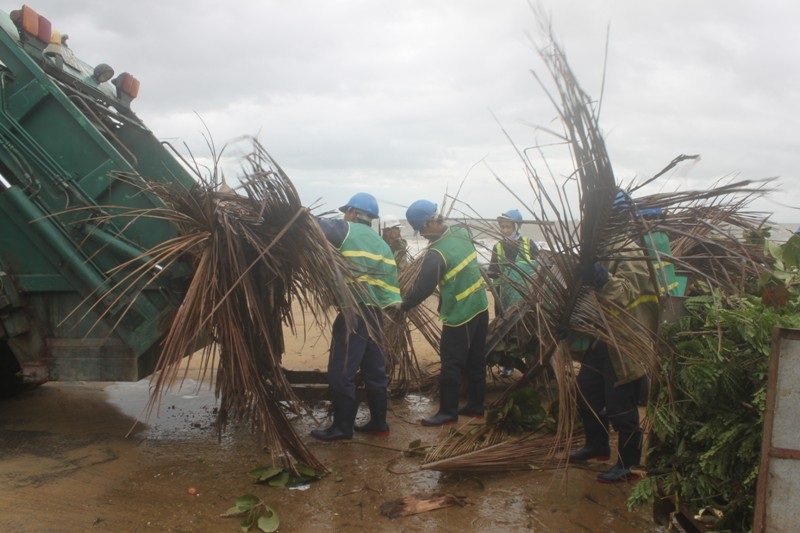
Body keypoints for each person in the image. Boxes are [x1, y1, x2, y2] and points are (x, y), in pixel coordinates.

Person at [569, 191, 661, 483]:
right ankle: (597, 446)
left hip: (626, 340)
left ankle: (629, 463)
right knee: (586, 390)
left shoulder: (628, 250)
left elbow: (624, 294)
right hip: (602, 337)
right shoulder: (603, 248)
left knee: (621, 406)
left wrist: (601, 278)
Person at [311, 192, 402, 441]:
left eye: (346, 212)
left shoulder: (345, 230)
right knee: (374, 372)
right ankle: (379, 424)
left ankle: (342, 428)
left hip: (354, 314)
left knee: (341, 372)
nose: (344, 216)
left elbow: (311, 224)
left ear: (352, 213)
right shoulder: (382, 244)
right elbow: (390, 289)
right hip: (375, 315)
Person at [395, 199, 490, 425]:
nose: (424, 235)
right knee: (476, 360)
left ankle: (448, 412)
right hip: (481, 306)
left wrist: (403, 304)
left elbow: (423, 289)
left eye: (422, 230)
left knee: (451, 364)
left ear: (429, 223)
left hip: (460, 315)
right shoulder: (461, 231)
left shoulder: (436, 254)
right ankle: (476, 406)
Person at [487, 209, 539, 377]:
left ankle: (532, 362)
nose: (505, 230)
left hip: (526, 296)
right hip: (504, 296)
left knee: (529, 328)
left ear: (516, 226)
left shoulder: (528, 243)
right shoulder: (498, 247)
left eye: (508, 226)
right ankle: (507, 364)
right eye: (502, 227)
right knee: (505, 330)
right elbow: (493, 271)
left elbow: (539, 267)